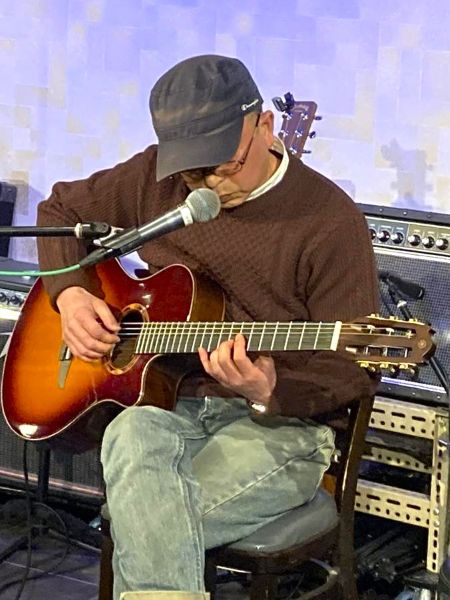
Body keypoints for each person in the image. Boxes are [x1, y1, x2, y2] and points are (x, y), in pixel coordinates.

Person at [36, 55, 380, 600]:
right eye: (192, 173)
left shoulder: (330, 221)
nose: (208, 185)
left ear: (264, 126)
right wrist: (73, 295)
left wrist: (269, 388)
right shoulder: (159, 180)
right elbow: (59, 210)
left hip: (281, 428)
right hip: (175, 407)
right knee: (131, 432)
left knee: (145, 520)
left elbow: (354, 367)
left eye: (222, 165)